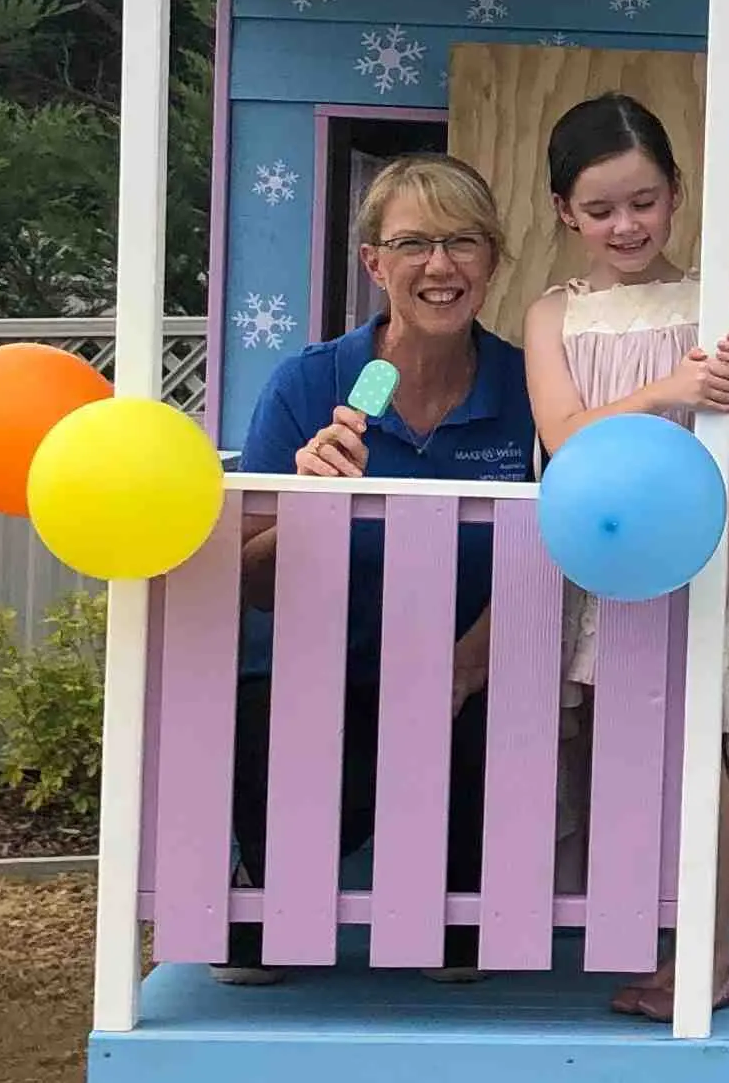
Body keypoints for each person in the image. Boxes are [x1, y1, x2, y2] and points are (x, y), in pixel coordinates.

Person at [217, 154, 536, 986]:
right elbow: (251, 585)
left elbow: (557, 548)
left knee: (457, 936)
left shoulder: (527, 384)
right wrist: (306, 504)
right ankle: (269, 885)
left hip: (468, 677)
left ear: (493, 260)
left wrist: (468, 664)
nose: (440, 266)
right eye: (414, 244)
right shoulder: (308, 383)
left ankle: (447, 898)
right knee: (283, 743)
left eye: (464, 242)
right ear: (373, 264)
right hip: (314, 677)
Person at [524, 92, 729, 1020]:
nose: (624, 224)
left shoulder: (710, 299)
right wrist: (671, 385)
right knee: (607, 744)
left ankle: (709, 957)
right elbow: (562, 435)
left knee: (702, 745)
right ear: (565, 212)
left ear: (675, 194)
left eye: (642, 201)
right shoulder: (553, 315)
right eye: (600, 209)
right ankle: (637, 936)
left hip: (700, 553)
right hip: (596, 559)